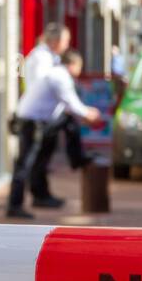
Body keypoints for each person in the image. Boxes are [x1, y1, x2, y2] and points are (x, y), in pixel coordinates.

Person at [7, 50, 101, 219]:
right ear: (73, 65)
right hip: (30, 123)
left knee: (43, 156)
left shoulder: (56, 73)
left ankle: (41, 195)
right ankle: (14, 205)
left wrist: (83, 114)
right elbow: (71, 102)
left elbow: (67, 108)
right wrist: (87, 114)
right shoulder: (60, 76)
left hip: (39, 121)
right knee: (24, 164)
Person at [25, 23, 93, 175]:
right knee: (30, 160)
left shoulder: (49, 57)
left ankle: (41, 193)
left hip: (42, 115)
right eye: (66, 41)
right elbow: (53, 89)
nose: (67, 45)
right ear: (56, 41)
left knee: (41, 155)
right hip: (36, 116)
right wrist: (84, 112)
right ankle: (76, 159)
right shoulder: (42, 58)